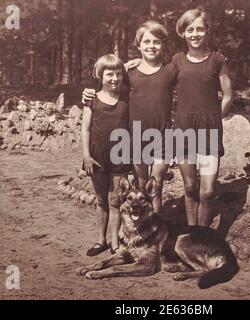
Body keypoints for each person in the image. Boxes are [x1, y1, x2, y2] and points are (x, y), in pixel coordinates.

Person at [83, 21, 177, 214]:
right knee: (141, 186)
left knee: (156, 185)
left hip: (163, 135)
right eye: (146, 41)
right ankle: (141, 228)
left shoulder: (171, 70)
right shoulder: (129, 72)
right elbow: (108, 81)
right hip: (136, 137)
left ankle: (155, 230)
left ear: (163, 44)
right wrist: (87, 92)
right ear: (138, 44)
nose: (151, 46)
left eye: (156, 42)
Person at [172, 8, 233, 227]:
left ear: (207, 31)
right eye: (190, 29)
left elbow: (228, 96)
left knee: (207, 191)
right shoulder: (177, 60)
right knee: (189, 187)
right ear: (183, 33)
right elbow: (156, 81)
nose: (195, 33)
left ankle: (203, 234)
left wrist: (216, 118)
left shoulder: (217, 60)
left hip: (209, 129)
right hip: (184, 129)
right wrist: (131, 65)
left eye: (199, 28)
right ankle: (191, 233)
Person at [81, 54, 130, 256]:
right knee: (101, 200)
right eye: (110, 74)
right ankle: (100, 240)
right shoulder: (91, 99)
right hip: (97, 156)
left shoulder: (127, 97)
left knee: (115, 200)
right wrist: (86, 156)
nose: (115, 79)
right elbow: (85, 129)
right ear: (100, 76)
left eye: (119, 74)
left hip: (120, 154)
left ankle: (115, 243)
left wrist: (129, 64)